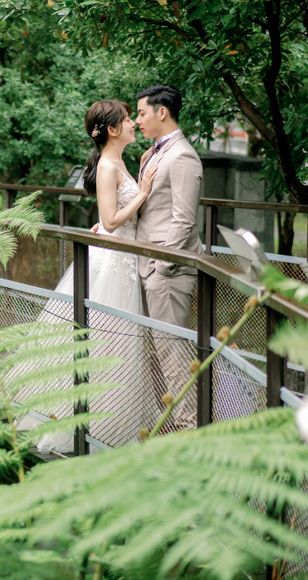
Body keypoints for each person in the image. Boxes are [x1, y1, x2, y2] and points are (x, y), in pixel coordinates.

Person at [29, 100, 158, 450]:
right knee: (108, 341)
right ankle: (90, 428)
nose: (134, 123)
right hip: (115, 261)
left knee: (116, 344)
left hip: (123, 256)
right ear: (113, 130)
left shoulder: (120, 160)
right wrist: (143, 192)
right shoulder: (107, 166)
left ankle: (110, 426)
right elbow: (112, 219)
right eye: (129, 119)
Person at [134, 83, 203, 431]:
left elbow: (184, 220)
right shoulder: (156, 152)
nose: (137, 119)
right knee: (162, 352)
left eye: (142, 113)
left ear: (162, 112)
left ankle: (189, 431)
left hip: (168, 271)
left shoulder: (183, 156)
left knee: (173, 353)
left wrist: (162, 268)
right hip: (149, 264)